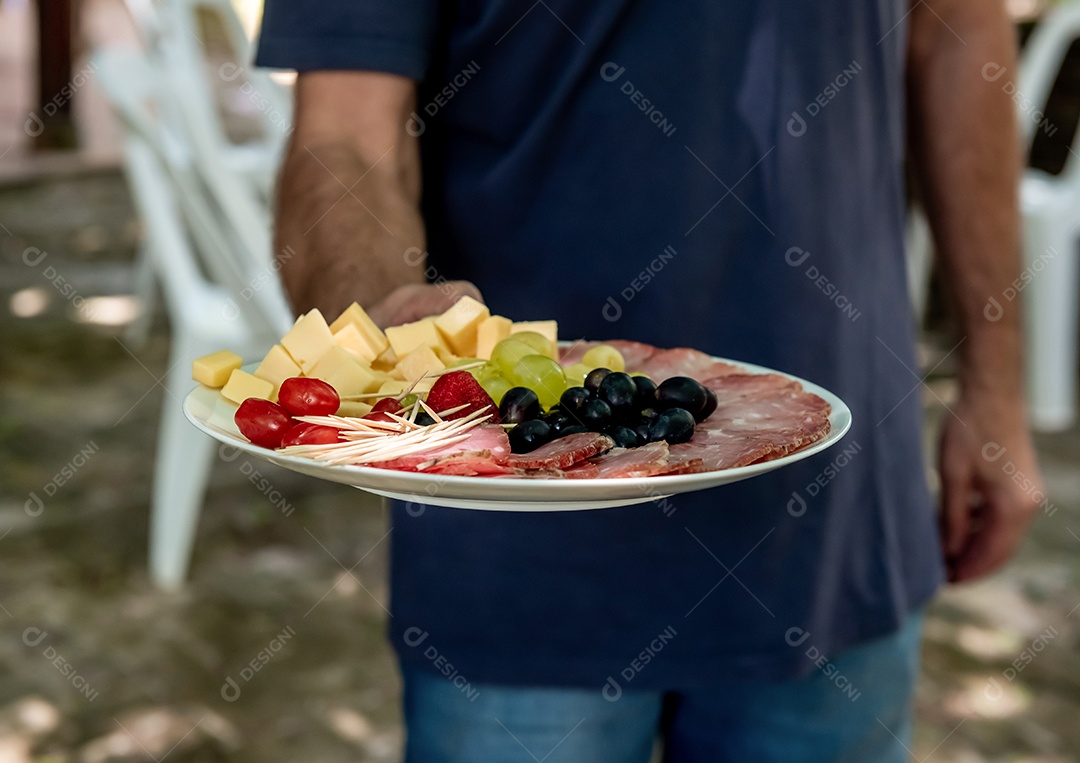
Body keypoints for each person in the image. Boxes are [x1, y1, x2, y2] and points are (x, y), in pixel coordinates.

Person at [256, 1, 1044, 760]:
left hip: (832, 519)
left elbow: (958, 31)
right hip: (515, 552)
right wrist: (381, 324)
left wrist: (995, 381)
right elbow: (344, 132)